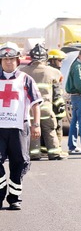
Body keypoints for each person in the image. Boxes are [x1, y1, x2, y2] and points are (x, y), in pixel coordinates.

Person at [0, 42, 43, 210]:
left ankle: (14, 198)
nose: (9, 62)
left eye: (12, 59)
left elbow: (35, 104)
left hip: (19, 128)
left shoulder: (26, 79)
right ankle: (1, 189)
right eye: (5, 59)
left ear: (18, 60)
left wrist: (36, 124)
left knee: (19, 162)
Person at [22, 44, 66, 160]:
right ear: (45, 57)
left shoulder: (23, 72)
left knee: (33, 132)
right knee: (50, 130)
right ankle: (54, 153)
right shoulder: (53, 72)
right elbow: (58, 87)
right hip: (46, 108)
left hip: (30, 109)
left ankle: (34, 154)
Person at [47, 49, 67, 146]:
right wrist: (60, 105)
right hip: (55, 107)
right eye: (59, 60)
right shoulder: (53, 72)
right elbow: (56, 90)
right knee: (57, 128)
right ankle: (57, 148)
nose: (61, 62)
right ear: (52, 60)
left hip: (52, 106)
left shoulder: (51, 71)